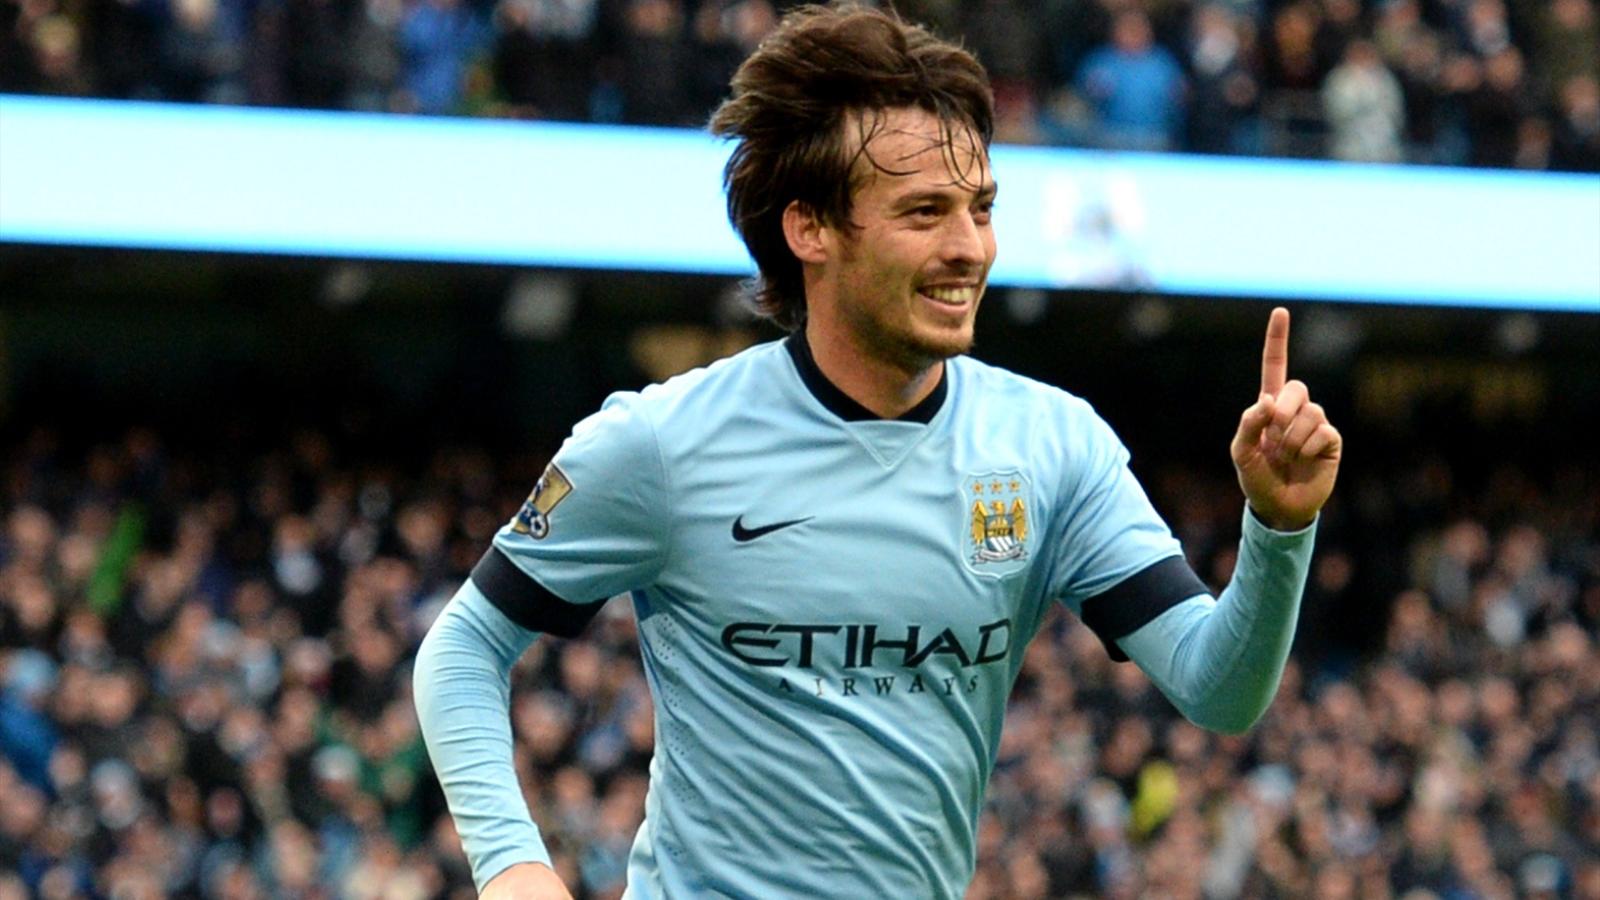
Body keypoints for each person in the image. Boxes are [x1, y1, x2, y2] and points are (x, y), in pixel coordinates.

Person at [411, 4, 1343, 898]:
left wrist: (1278, 526)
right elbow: (463, 647)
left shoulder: (1052, 446)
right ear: (810, 227)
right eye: (925, 212)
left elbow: (1220, 691)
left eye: (981, 208)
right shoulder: (661, 444)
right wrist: (512, 864)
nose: (970, 247)